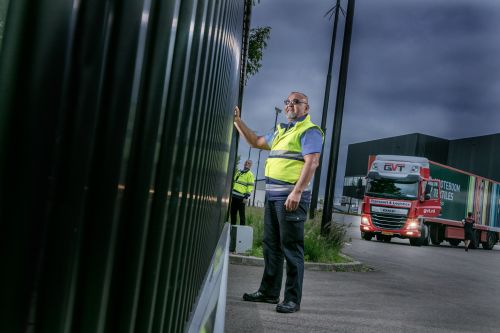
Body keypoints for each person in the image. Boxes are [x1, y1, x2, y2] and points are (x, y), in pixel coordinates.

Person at [233, 91, 323, 313]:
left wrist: (297, 192)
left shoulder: (309, 131)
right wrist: (237, 120)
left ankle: (292, 299)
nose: (291, 105)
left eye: (296, 102)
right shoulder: (281, 131)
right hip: (273, 197)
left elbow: (312, 162)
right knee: (271, 246)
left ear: (306, 108)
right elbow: (254, 141)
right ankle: (269, 293)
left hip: (290, 198)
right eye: (288, 102)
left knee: (291, 249)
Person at [231, 159, 255, 226]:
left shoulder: (250, 175)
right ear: (244, 164)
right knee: (233, 213)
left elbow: (250, 187)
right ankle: (233, 227)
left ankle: (242, 230)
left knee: (242, 215)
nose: (247, 164)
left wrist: (246, 197)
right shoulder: (239, 172)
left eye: (249, 163)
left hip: (242, 198)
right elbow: (234, 182)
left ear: (250, 166)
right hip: (234, 196)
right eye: (246, 162)